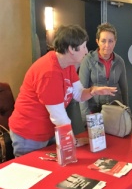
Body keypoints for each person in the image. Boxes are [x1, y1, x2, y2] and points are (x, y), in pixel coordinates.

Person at [9, 24, 117, 157]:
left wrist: (93, 91)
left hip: (49, 130)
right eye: (83, 46)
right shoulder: (49, 72)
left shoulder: (68, 65)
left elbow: (78, 93)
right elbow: (59, 117)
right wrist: (72, 140)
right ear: (71, 49)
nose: (86, 51)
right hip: (29, 134)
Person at [79, 23, 128, 124]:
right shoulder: (88, 60)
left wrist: (127, 110)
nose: (107, 45)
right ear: (97, 41)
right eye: (103, 41)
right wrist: (85, 116)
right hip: (94, 112)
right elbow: (81, 91)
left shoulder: (120, 61)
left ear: (115, 42)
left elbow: (124, 88)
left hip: (115, 110)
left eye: (110, 41)